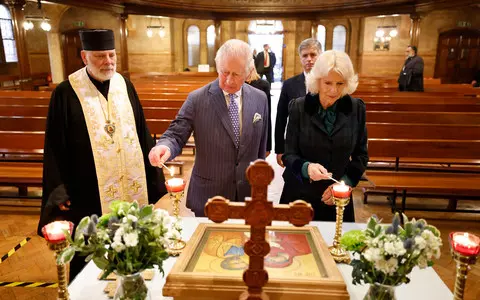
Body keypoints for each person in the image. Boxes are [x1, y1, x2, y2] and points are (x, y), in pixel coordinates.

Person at [37, 29, 167, 280]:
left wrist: (153, 177)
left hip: (130, 188)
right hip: (87, 192)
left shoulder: (124, 85)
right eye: (100, 56)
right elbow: (54, 145)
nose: (108, 61)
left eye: (111, 54)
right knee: (89, 256)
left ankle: (132, 284)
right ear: (85, 57)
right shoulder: (66, 92)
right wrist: (59, 190)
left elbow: (141, 132)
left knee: (133, 243)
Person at [149, 39, 268, 216]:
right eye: (224, 72)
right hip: (209, 196)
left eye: (236, 74)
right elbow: (176, 133)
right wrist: (164, 146)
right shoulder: (197, 99)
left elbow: (261, 150)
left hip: (247, 195)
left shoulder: (260, 98)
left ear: (249, 72)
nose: (228, 80)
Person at [280, 50, 368, 222]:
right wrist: (306, 168)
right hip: (300, 195)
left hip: (338, 199)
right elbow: (289, 155)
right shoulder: (299, 107)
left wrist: (345, 183)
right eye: (328, 83)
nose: (334, 90)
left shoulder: (356, 108)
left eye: (340, 84)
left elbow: (361, 155)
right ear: (317, 80)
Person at [275, 38, 322, 167]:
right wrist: (279, 149)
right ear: (300, 58)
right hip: (295, 147)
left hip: (323, 147)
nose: (309, 59)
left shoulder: (328, 83)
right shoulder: (290, 84)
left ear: (320, 56)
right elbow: (281, 117)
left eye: (313, 55)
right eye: (305, 56)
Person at [246, 59, 271, 155]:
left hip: (257, 134)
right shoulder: (238, 85)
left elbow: (267, 116)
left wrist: (268, 146)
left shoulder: (263, 85)